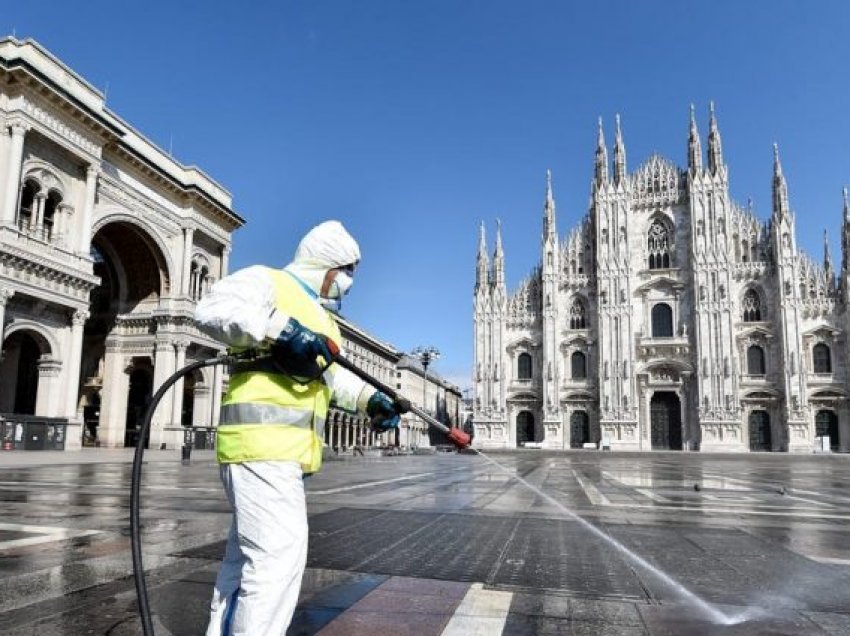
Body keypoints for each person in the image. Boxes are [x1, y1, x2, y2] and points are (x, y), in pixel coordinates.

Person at [195, 220, 405, 635]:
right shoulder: (267, 281)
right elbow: (211, 312)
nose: (348, 283)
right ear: (322, 265)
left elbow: (331, 377)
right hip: (259, 446)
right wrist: (280, 329)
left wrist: (370, 401)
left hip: (283, 456)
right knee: (277, 559)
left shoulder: (322, 319)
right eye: (345, 271)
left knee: (245, 562)